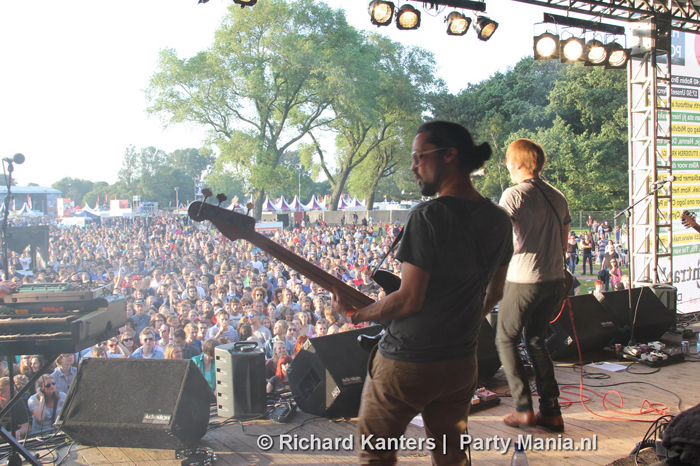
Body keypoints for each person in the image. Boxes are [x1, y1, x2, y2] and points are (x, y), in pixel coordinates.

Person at [332, 121, 513, 466]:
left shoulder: (429, 216)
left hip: (407, 363)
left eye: (419, 157)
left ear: (449, 156)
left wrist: (357, 315)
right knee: (452, 457)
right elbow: (494, 293)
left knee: (375, 456)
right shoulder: (500, 220)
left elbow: (408, 299)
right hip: (461, 363)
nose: (413, 166)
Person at [496, 138, 568, 433]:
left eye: (507, 161)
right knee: (535, 340)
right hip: (555, 279)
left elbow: (498, 242)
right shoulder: (558, 196)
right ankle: (551, 411)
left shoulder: (513, 195)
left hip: (525, 279)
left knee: (504, 338)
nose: (506, 167)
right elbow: (564, 244)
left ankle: (524, 409)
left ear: (517, 164)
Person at [0, 376, 29, 440]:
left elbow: (26, 426)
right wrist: (10, 435)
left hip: (16, 442)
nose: (17, 394)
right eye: (13, 392)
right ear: (1, 395)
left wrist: (19, 432)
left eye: (16, 390)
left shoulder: (18, 402)